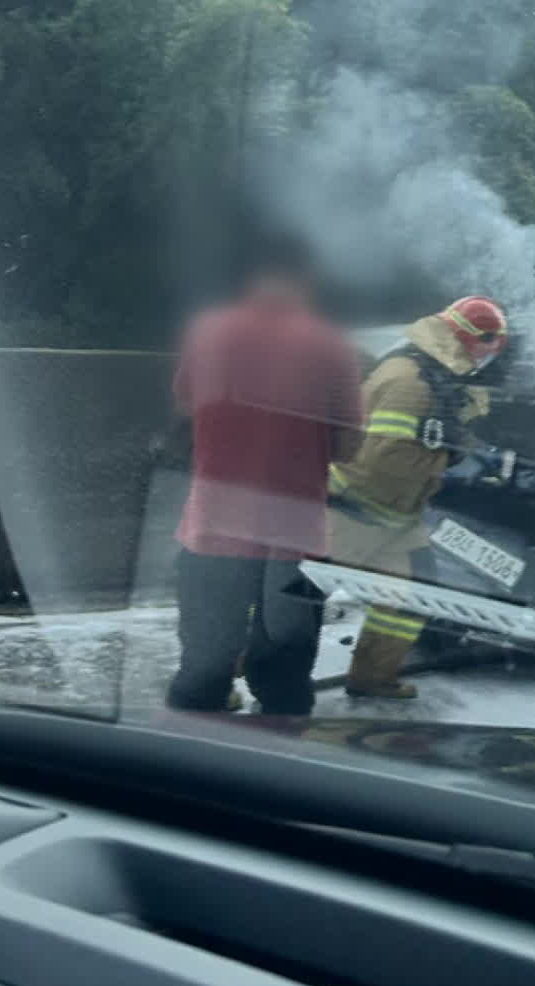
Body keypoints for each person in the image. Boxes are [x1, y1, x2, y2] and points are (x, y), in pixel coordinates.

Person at [166, 232, 363, 716]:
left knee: (204, 667)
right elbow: (349, 447)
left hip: (213, 526)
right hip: (293, 536)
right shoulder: (331, 346)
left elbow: (186, 404)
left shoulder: (209, 332)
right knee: (286, 678)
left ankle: (186, 759)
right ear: (307, 277)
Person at [325, 296, 510, 697]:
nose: (491, 356)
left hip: (396, 518)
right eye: (488, 344)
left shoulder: (437, 378)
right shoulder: (409, 380)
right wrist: (445, 455)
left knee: (407, 603)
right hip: (354, 513)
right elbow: (383, 456)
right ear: (465, 338)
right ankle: (220, 675)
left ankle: (373, 679)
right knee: (293, 604)